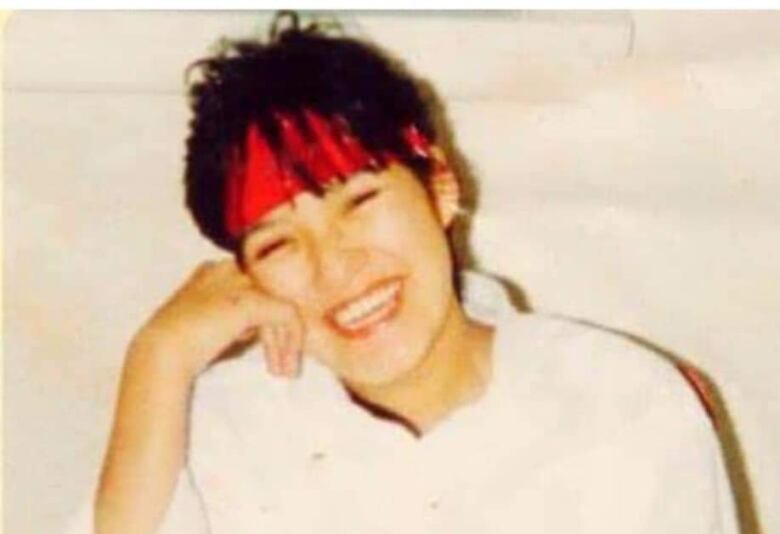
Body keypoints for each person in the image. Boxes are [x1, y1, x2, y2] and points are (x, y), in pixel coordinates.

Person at [68, 12, 739, 534]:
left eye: (360, 202)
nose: (336, 268)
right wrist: (156, 356)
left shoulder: (620, 403)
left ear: (440, 186)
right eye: (279, 246)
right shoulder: (214, 424)